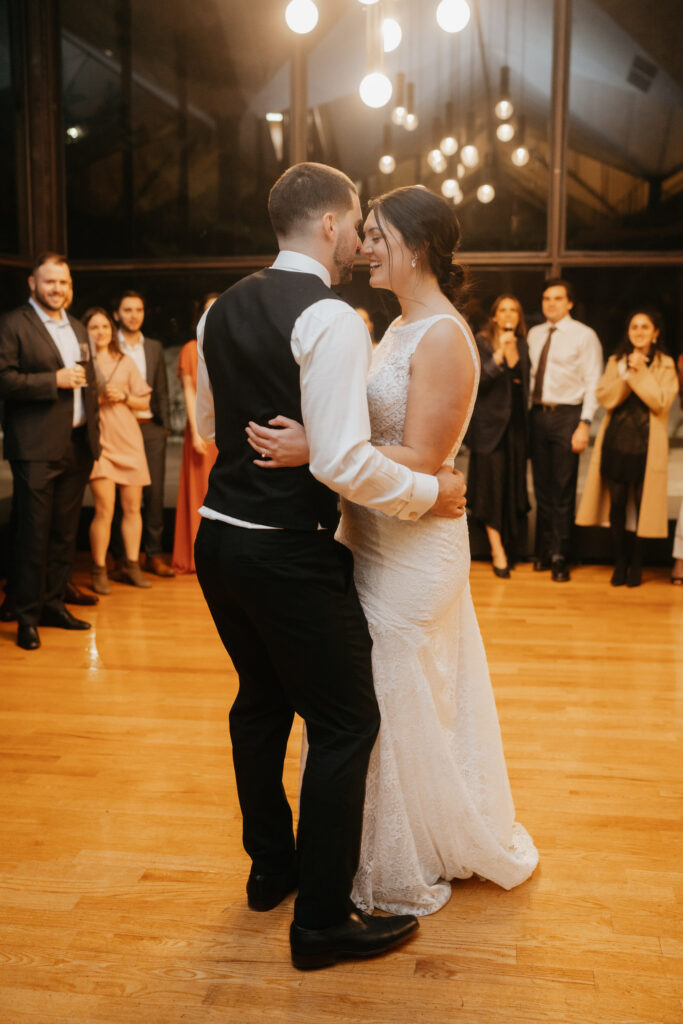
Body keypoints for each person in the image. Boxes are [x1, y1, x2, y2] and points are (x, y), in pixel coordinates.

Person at [193, 163, 468, 970]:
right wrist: (430, 490)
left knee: (259, 702)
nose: (360, 240)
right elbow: (344, 460)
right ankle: (318, 921)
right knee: (348, 721)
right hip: (285, 550)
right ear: (326, 226)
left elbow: (212, 425)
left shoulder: (219, 310)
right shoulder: (333, 317)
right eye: (356, 226)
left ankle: (270, 869)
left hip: (218, 540)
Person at [248, 184, 538, 919]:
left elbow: (426, 457)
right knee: (370, 696)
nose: (362, 246)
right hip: (369, 538)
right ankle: (361, 850)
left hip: (414, 551)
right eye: (362, 232)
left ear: (419, 244)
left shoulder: (442, 335)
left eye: (376, 235)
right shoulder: (396, 326)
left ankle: (393, 859)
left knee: (387, 694)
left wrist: (323, 450)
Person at [0, 253, 100, 650]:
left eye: (65, 282)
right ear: (32, 284)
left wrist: (96, 436)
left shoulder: (77, 327)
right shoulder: (12, 325)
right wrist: (52, 380)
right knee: (33, 535)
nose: (59, 289)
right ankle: (25, 616)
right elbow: (3, 379)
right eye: (51, 282)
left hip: (77, 446)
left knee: (63, 534)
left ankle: (53, 605)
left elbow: (88, 383)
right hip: (36, 447)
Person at [576, 309, 678, 587]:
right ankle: (619, 563)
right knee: (618, 505)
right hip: (617, 443)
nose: (639, 331)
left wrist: (640, 373)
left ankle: (637, 564)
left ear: (656, 332)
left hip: (647, 446)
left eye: (645, 327)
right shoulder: (616, 361)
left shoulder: (666, 364)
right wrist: (626, 374)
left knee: (643, 507)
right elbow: (606, 398)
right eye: (634, 326)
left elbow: (660, 401)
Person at [528, 279, 603, 581]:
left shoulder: (584, 336)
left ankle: (561, 555)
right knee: (543, 488)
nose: (551, 303)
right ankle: (545, 551)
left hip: (568, 417)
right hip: (538, 415)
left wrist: (584, 424)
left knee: (563, 489)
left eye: (558, 298)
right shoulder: (534, 334)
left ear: (569, 303)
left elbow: (593, 382)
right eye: (546, 298)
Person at [83, 308, 153, 593]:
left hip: (129, 439)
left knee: (133, 507)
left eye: (105, 327)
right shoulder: (82, 363)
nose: (101, 332)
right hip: (99, 441)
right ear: (85, 331)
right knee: (104, 508)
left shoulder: (125, 361)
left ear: (112, 331)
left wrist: (123, 396)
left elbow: (144, 401)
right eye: (94, 327)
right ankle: (98, 569)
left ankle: (131, 566)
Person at [466, 294, 530, 576]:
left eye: (513, 310)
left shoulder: (524, 344)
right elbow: (478, 380)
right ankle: (497, 550)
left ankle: (511, 545)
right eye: (502, 310)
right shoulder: (481, 341)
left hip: (515, 427)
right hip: (488, 428)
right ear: (494, 316)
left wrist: (513, 355)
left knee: (510, 487)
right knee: (489, 489)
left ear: (519, 317)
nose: (507, 315)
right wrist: (499, 357)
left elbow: (522, 384)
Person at [112, 291, 174, 577]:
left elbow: (161, 388)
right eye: (127, 310)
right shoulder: (109, 345)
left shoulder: (153, 346)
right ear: (117, 315)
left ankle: (154, 553)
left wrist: (163, 427)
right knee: (120, 494)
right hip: (119, 426)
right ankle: (122, 557)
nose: (134, 315)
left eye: (138, 309)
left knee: (155, 493)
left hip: (150, 428)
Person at [171, 294, 219, 574]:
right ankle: (194, 555)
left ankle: (218, 555)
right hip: (202, 427)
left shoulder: (231, 343)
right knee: (200, 491)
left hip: (228, 428)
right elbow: (189, 391)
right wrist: (198, 430)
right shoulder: (191, 348)